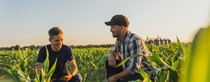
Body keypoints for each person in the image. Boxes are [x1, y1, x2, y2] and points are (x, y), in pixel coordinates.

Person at [104, 14, 156, 82]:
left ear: (122, 28)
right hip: (129, 69)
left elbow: (134, 68)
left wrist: (115, 77)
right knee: (108, 62)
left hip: (143, 73)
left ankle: (114, 79)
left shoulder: (134, 40)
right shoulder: (119, 39)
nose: (110, 30)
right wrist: (111, 55)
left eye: (113, 27)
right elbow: (113, 51)